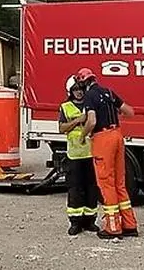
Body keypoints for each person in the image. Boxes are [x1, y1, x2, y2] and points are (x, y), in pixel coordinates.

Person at [77, 67, 136, 239]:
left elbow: (92, 120)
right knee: (120, 183)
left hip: (102, 138)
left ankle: (112, 227)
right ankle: (129, 224)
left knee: (106, 183)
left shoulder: (90, 96)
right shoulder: (109, 92)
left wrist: (83, 134)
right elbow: (129, 111)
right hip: (117, 135)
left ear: (83, 83)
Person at [59, 75, 99, 235]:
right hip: (74, 155)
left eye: (81, 89)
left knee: (91, 189)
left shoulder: (90, 104)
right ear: (70, 91)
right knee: (75, 190)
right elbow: (62, 128)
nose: (79, 92)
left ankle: (90, 220)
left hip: (90, 153)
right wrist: (78, 120)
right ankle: (75, 222)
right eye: (75, 89)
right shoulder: (65, 107)